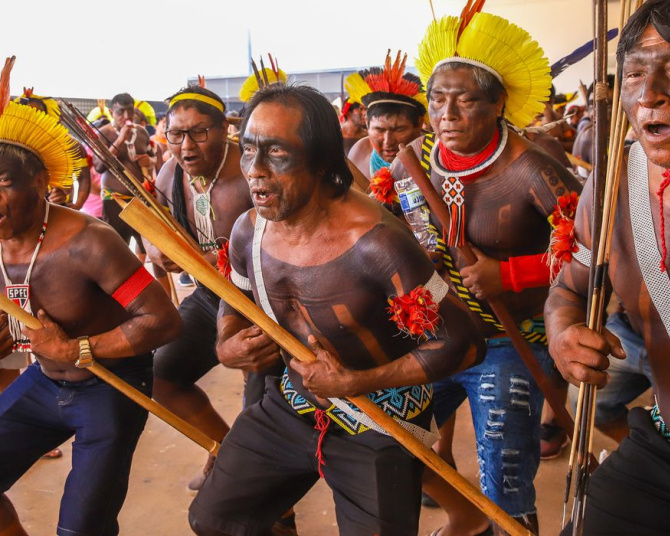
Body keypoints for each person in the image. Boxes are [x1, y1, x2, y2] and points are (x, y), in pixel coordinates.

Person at [188, 83, 485, 536]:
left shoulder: (377, 244)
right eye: (248, 151)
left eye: (277, 154)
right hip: (291, 404)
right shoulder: (249, 228)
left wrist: (356, 382)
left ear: (323, 161)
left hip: (378, 420)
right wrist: (226, 342)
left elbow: (464, 344)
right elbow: (238, 294)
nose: (256, 171)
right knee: (213, 519)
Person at [546, 1, 670, 533]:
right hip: (668, 458)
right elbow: (569, 289)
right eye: (635, 72)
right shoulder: (616, 181)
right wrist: (562, 333)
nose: (648, 93)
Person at [390, 5, 581, 533]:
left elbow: (598, 253)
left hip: (510, 337)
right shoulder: (411, 160)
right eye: (437, 100)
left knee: (505, 477)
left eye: (465, 99)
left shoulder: (532, 169)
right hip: (437, 335)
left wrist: (511, 276)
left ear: (498, 103)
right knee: (386, 436)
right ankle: (461, 515)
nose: (446, 113)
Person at [0, 59, 182, 536]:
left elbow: (163, 321)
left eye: (2, 184)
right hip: (44, 384)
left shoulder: (88, 241)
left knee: (82, 529)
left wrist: (79, 349)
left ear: (40, 182)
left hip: (111, 385)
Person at [145, 85, 257, 489]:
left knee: (258, 400)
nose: (186, 145)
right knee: (161, 375)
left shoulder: (250, 169)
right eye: (176, 134)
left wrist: (214, 262)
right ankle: (226, 453)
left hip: (262, 302)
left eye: (199, 132)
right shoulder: (171, 171)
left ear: (225, 129)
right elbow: (149, 224)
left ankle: (275, 507)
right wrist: (157, 249)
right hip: (211, 298)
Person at [346, 50, 426, 193]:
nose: (388, 141)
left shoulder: (435, 154)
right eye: (379, 130)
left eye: (399, 130)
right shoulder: (360, 152)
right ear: (367, 122)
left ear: (419, 124)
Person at [95, 92, 157, 258]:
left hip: (141, 199)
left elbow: (154, 158)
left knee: (148, 246)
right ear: (111, 111)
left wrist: (148, 161)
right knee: (116, 249)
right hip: (114, 200)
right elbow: (99, 166)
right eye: (120, 112)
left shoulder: (142, 132)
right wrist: (119, 139)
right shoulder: (103, 133)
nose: (126, 116)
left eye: (130, 111)